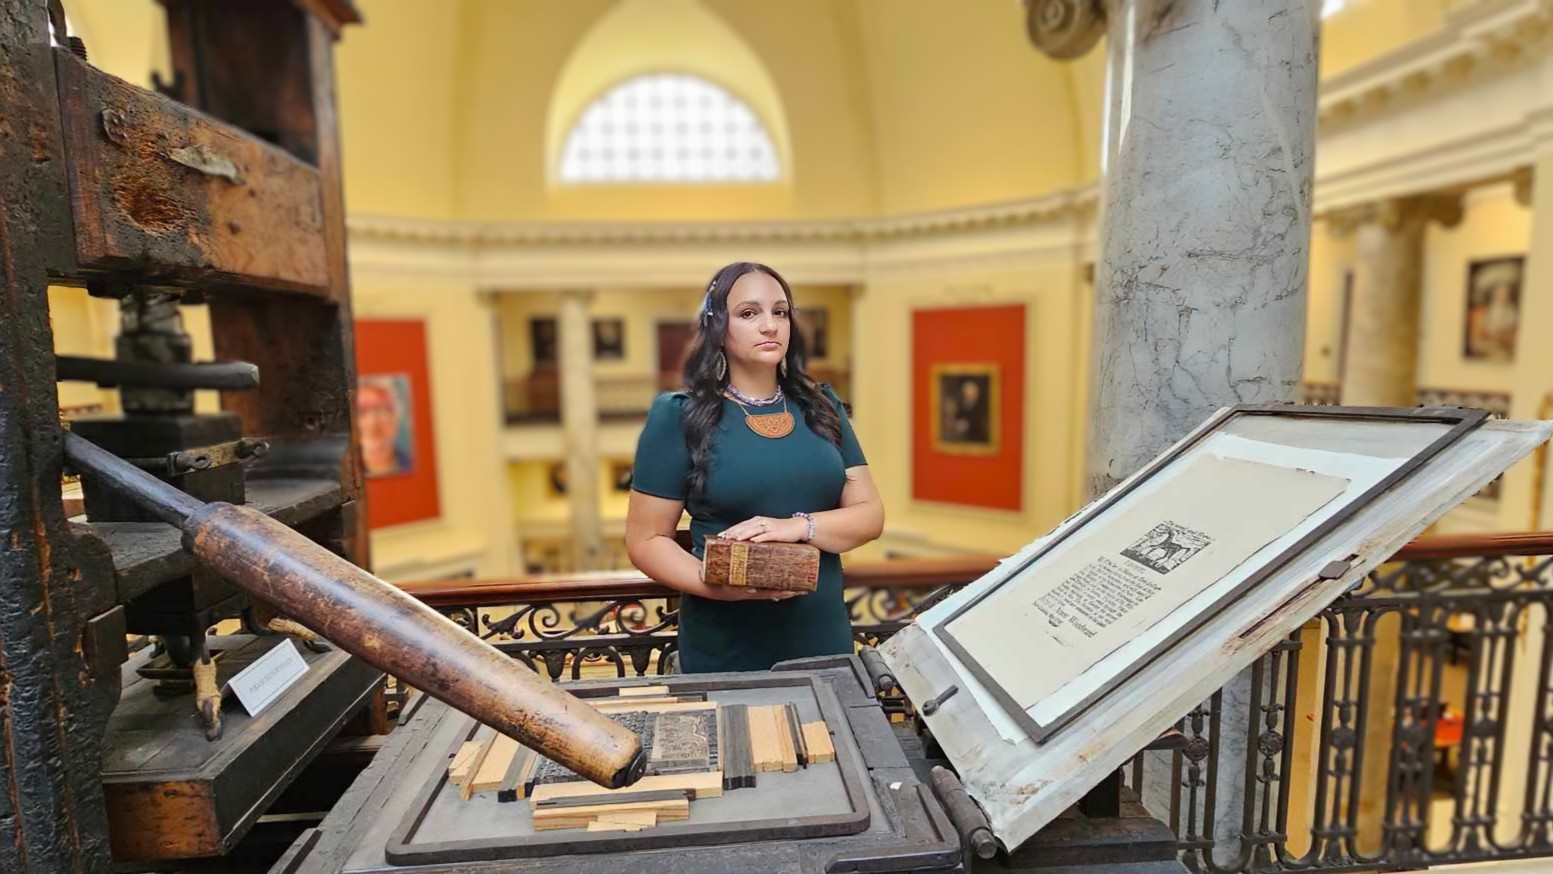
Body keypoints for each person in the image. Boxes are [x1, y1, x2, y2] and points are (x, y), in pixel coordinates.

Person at [626, 262, 885, 673]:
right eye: (749, 313)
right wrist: (716, 587)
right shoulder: (678, 416)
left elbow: (870, 516)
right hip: (727, 646)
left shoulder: (821, 407)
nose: (770, 326)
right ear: (717, 328)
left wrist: (796, 527)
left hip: (822, 639)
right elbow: (646, 539)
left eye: (780, 312)